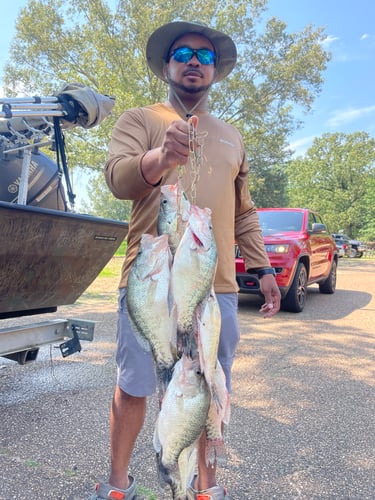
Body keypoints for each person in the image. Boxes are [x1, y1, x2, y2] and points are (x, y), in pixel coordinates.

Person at [91, 20, 281, 500]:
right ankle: (117, 485)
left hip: (215, 288)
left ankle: (204, 487)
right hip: (151, 280)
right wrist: (161, 157)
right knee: (134, 384)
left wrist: (263, 268)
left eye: (206, 56)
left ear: (215, 71)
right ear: (167, 65)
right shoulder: (139, 119)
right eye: (184, 53)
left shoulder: (232, 136)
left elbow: (244, 212)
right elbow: (118, 180)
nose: (195, 61)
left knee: (210, 388)